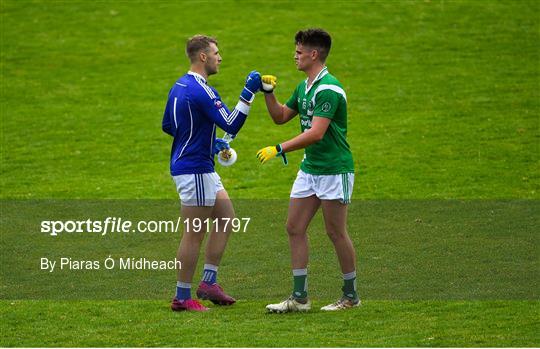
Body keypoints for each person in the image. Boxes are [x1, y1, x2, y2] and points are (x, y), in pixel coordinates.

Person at [257, 28, 359, 312]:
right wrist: (268, 93)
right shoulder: (304, 87)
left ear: (314, 54)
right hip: (310, 168)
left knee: (335, 232)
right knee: (294, 227)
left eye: (299, 52)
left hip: (334, 170)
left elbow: (316, 133)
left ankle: (350, 296)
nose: (295, 56)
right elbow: (280, 117)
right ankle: (299, 298)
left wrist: (279, 149)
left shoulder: (329, 89)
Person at [162, 35, 261, 312]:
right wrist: (248, 93)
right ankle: (182, 296)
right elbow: (231, 122)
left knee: (226, 217)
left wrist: (209, 142)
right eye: (216, 53)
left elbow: (169, 125)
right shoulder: (202, 90)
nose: (220, 57)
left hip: (197, 165)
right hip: (194, 169)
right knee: (194, 233)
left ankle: (208, 283)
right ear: (203, 57)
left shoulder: (178, 86)